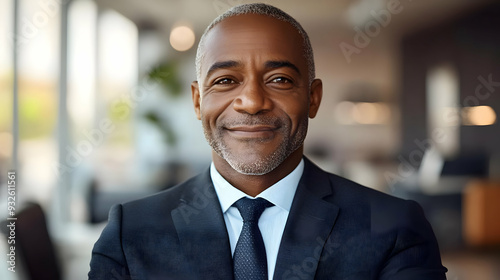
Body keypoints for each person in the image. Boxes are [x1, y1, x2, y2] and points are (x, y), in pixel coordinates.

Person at [89, 3, 447, 280]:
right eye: (226, 80)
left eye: (278, 79)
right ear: (198, 101)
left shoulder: (393, 228)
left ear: (313, 98)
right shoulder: (131, 231)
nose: (252, 102)